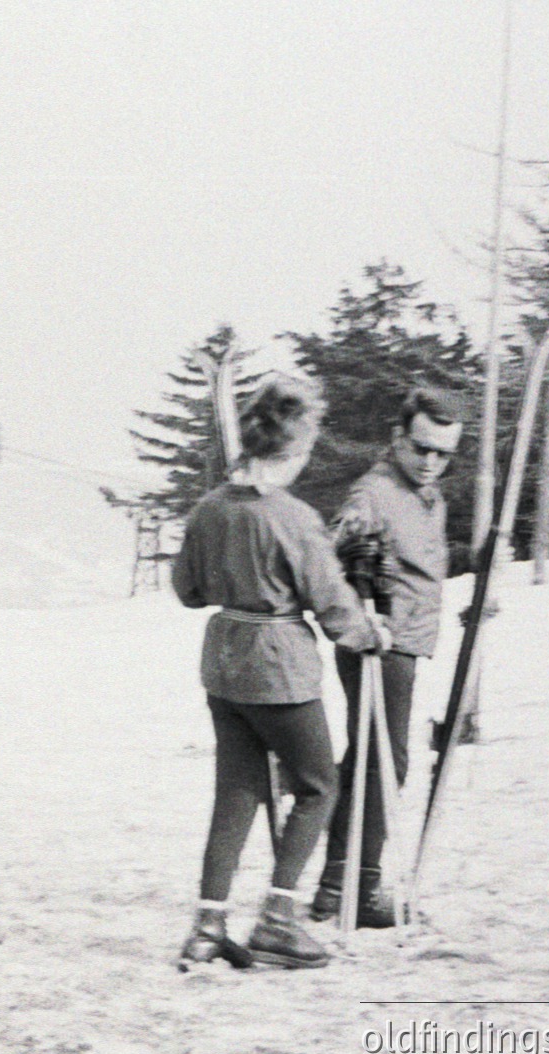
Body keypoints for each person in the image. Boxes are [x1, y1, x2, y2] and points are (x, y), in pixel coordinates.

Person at [172, 373, 390, 970]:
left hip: (224, 661)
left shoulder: (209, 508)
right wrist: (368, 634)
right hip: (279, 667)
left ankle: (208, 924)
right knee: (319, 785)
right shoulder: (293, 518)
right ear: (294, 447)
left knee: (236, 794)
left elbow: (187, 591)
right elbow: (331, 600)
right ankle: (278, 917)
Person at [307, 387, 465, 928]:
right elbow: (331, 556)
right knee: (386, 759)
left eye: (443, 454)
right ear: (399, 439)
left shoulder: (431, 498)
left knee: (369, 757)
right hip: (379, 641)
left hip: (408, 640)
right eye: (422, 448)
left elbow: (422, 564)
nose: (431, 462)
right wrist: (354, 565)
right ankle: (362, 884)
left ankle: (336, 883)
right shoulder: (372, 491)